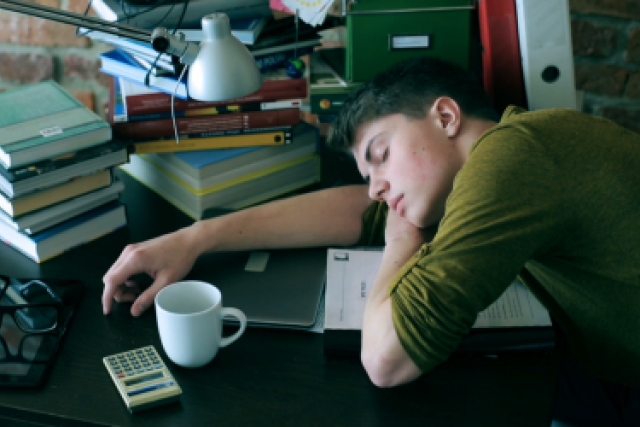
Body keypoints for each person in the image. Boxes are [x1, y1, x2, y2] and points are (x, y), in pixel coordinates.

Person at [103, 56, 640, 423]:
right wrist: (196, 238)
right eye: (369, 175)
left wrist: (402, 244)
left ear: (446, 117)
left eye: (381, 154)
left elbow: (386, 361)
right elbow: (356, 211)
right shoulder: (503, 155)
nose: (378, 187)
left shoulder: (511, 159)